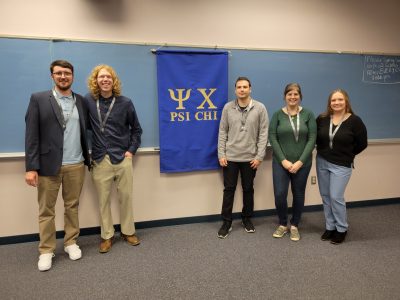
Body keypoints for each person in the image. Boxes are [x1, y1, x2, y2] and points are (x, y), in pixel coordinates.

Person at [25, 60, 90, 271]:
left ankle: (71, 242)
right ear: (52, 76)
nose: (63, 77)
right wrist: (31, 167)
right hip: (47, 166)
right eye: (59, 73)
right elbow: (31, 135)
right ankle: (46, 250)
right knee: (46, 210)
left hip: (76, 164)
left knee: (72, 206)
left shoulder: (81, 100)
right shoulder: (39, 99)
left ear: (73, 76)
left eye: (67, 73)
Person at [85, 64, 142, 253]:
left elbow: (137, 130)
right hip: (100, 158)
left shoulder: (125, 103)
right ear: (96, 81)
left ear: (113, 80)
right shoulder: (88, 101)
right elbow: (82, 128)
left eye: (108, 77)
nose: (105, 80)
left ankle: (128, 232)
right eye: (101, 77)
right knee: (103, 200)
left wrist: (131, 151)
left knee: (126, 197)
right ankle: (107, 236)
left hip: (122, 157)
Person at [217, 77, 269, 238]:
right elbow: (222, 131)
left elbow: (263, 133)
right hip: (230, 158)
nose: (242, 89)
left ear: (250, 89)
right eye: (239, 87)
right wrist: (221, 154)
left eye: (245, 87)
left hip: (250, 159)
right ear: (235, 90)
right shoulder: (227, 108)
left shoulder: (260, 108)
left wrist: (260, 156)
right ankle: (227, 222)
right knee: (229, 190)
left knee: (248, 190)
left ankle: (247, 219)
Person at [316, 89, 367, 244]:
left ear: (346, 102)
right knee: (325, 196)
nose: (336, 103)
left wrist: (348, 155)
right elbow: (317, 139)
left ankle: (341, 228)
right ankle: (330, 226)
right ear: (329, 103)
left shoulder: (355, 121)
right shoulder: (322, 119)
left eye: (340, 100)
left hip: (342, 165)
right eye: (333, 100)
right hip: (322, 161)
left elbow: (362, 144)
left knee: (336, 197)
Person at [269, 83, 317, 241]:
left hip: (302, 164)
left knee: (298, 194)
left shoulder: (308, 114)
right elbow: (273, 137)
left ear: (300, 96)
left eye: (296, 94)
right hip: (280, 163)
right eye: (289, 94)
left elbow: (312, 139)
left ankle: (295, 225)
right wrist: (283, 160)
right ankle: (283, 224)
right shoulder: (277, 115)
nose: (292, 97)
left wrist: (300, 162)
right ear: (284, 96)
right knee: (280, 194)